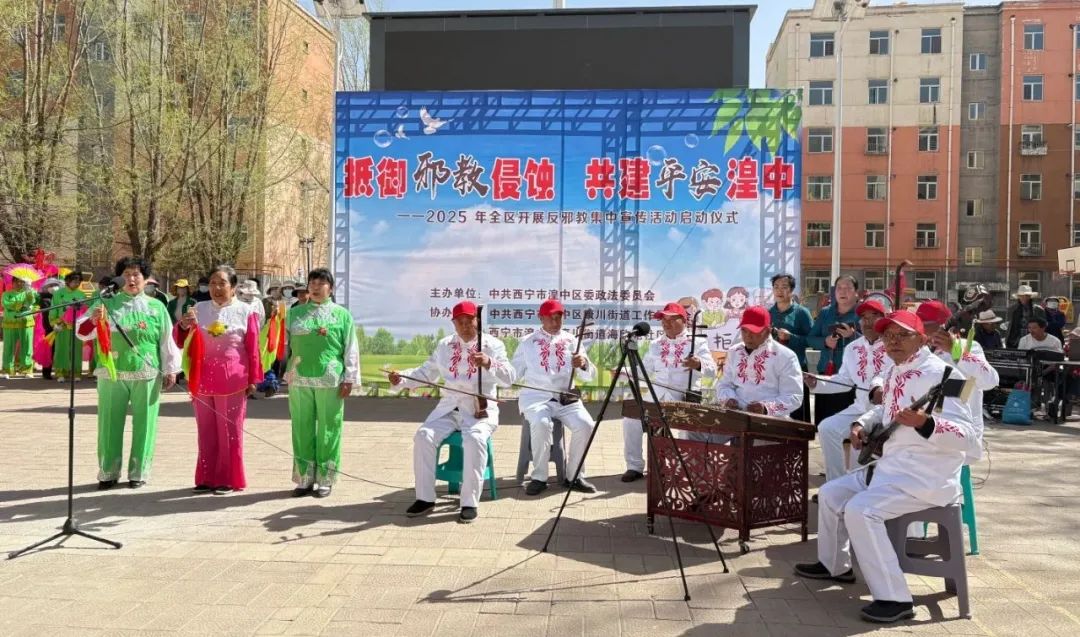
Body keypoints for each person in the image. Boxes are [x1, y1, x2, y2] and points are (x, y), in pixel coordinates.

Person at [794, 310, 976, 624]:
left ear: (921, 339)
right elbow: (884, 413)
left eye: (902, 335)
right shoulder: (893, 371)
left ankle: (895, 598)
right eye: (888, 336)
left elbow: (969, 438)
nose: (893, 342)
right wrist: (861, 425)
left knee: (861, 510)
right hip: (890, 468)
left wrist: (927, 423)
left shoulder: (948, 376)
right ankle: (835, 565)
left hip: (926, 477)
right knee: (830, 494)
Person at [390, 301, 515, 523]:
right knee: (423, 436)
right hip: (449, 407)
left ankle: (469, 502)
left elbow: (510, 378)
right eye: (460, 322)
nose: (465, 326)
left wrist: (489, 363)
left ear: (477, 320)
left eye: (470, 321)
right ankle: (425, 498)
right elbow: (425, 373)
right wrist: (401, 379)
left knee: (475, 439)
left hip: (479, 409)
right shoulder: (444, 345)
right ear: (454, 323)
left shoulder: (493, 345)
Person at [76, 256, 181, 489]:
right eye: (126, 275)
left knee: (145, 423)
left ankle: (139, 472)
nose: (131, 279)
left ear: (146, 279)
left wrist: (171, 369)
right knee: (109, 423)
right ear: (119, 279)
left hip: (147, 372)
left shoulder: (157, 307)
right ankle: (108, 471)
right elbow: (82, 332)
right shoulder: (105, 302)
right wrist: (93, 320)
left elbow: (167, 339)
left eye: (136, 275)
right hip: (111, 371)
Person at [175, 265, 264, 495]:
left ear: (233, 287)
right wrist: (183, 325)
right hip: (203, 377)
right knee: (205, 430)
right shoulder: (198, 309)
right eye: (213, 283)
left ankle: (227, 479)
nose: (216, 288)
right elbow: (180, 340)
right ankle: (206, 477)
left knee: (229, 431)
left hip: (234, 378)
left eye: (222, 283)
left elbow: (253, 347)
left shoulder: (246, 311)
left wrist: (254, 379)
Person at [620, 301, 716, 482]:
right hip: (656, 395)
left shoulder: (697, 342)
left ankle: (686, 469)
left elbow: (712, 370)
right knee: (631, 419)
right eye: (663, 320)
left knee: (687, 428)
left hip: (684, 396)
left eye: (671, 319)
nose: (666, 323)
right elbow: (644, 370)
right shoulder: (656, 344)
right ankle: (634, 466)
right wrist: (624, 372)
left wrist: (698, 364)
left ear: (684, 320)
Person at [285, 268, 359, 498]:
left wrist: (349, 378)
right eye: (312, 283)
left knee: (329, 427)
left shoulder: (342, 315)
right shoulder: (294, 314)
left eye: (321, 283)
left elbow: (351, 348)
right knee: (301, 426)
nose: (315, 287)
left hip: (330, 378)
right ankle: (304, 478)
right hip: (299, 377)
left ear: (331, 288)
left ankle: (326, 478)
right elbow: (280, 344)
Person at [512, 298, 598, 495]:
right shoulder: (527, 342)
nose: (555, 322)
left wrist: (583, 364)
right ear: (540, 318)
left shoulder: (572, 340)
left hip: (566, 398)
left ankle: (574, 476)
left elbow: (589, 375)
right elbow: (513, 374)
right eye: (550, 318)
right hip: (536, 397)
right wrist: (495, 371)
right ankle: (539, 477)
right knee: (542, 423)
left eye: (558, 317)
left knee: (586, 425)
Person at [804, 300, 891, 483]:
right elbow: (844, 381)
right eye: (864, 318)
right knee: (827, 428)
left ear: (884, 319)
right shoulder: (852, 348)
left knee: (861, 460)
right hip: (860, 408)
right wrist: (817, 382)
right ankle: (836, 483)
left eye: (873, 316)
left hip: (887, 410)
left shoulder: (893, 344)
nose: (867, 322)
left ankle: (858, 487)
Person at [915, 301, 999, 463]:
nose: (922, 331)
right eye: (919, 326)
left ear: (945, 327)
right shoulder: (917, 351)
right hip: (923, 438)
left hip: (958, 438)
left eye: (927, 326)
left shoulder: (968, 346)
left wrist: (954, 350)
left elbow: (990, 380)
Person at [713, 306, 803, 417]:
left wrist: (766, 408)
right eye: (744, 330)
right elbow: (724, 385)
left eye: (754, 331)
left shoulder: (785, 356)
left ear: (768, 331)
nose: (748, 336)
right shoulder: (734, 352)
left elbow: (794, 396)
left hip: (771, 421)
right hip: (736, 417)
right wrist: (729, 399)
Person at [807, 276, 861, 424]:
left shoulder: (862, 314)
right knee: (824, 422)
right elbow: (810, 338)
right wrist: (825, 342)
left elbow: (873, 342)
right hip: (827, 373)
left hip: (852, 377)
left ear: (856, 292)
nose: (843, 292)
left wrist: (853, 336)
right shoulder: (825, 313)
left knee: (848, 426)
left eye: (848, 288)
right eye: (839, 288)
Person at [769, 273, 814, 422]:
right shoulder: (768, 314)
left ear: (792, 290)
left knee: (797, 414)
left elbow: (812, 340)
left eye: (784, 287)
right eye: (776, 287)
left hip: (796, 368)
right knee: (774, 412)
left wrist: (791, 338)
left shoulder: (802, 313)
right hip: (772, 370)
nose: (779, 291)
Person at [49, 272, 89, 382]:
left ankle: (76, 373)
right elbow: (53, 308)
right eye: (75, 281)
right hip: (62, 325)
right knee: (61, 349)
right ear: (67, 281)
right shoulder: (58, 294)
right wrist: (54, 323)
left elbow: (85, 311)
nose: (77, 284)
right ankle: (60, 373)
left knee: (76, 350)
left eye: (79, 282)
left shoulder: (81, 294)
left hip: (77, 326)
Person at [1, 275, 38, 378]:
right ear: (12, 283)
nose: (19, 283)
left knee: (27, 346)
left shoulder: (28, 293)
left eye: (22, 282)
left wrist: (29, 291)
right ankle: (7, 370)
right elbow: (7, 304)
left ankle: (27, 370)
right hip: (10, 323)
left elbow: (32, 301)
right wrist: (22, 305)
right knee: (9, 347)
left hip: (26, 322)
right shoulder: (6, 294)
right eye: (16, 281)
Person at [35, 278, 62, 380]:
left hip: (61, 327)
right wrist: (53, 325)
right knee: (50, 350)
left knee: (59, 350)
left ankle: (60, 370)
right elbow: (46, 315)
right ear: (46, 288)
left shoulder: (60, 298)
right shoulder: (45, 300)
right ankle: (46, 372)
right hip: (50, 328)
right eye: (50, 286)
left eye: (55, 285)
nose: (54, 287)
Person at [1004, 284, 1045, 348]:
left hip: (1033, 339)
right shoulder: (1012, 309)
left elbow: (1043, 326)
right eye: (1022, 296)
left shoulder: (1038, 310)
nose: (1024, 298)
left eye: (1027, 296)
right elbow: (1008, 326)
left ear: (1030, 296)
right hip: (1015, 340)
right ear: (1018, 297)